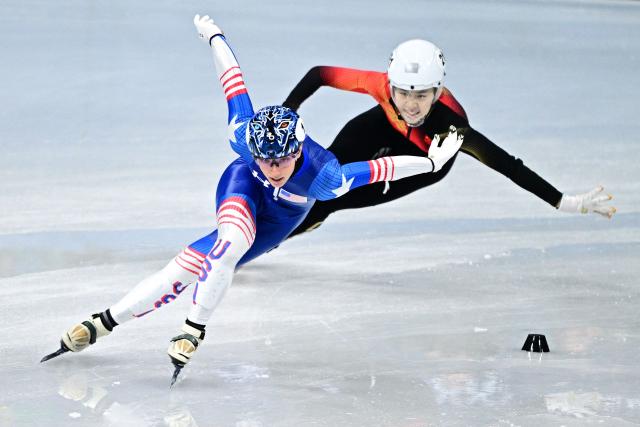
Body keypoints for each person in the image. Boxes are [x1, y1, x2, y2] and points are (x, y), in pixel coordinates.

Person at [42, 16, 465, 384]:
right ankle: (192, 331)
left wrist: (430, 164)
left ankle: (103, 323)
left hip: (281, 220)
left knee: (188, 265)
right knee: (229, 244)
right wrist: (215, 37)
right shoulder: (245, 144)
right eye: (265, 158)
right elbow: (233, 81)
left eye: (281, 160)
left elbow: (380, 171)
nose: (273, 167)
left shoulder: (325, 177)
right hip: (241, 188)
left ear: (298, 152)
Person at [281, 39, 616, 238]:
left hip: (426, 161)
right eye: (403, 93)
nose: (412, 105)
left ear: (437, 91)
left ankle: (272, 238)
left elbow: (508, 166)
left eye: (422, 95)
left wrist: (566, 202)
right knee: (319, 174)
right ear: (390, 86)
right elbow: (319, 75)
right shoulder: (380, 85)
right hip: (382, 125)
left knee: (332, 199)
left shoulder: (451, 128)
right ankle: (265, 209)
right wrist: (287, 114)